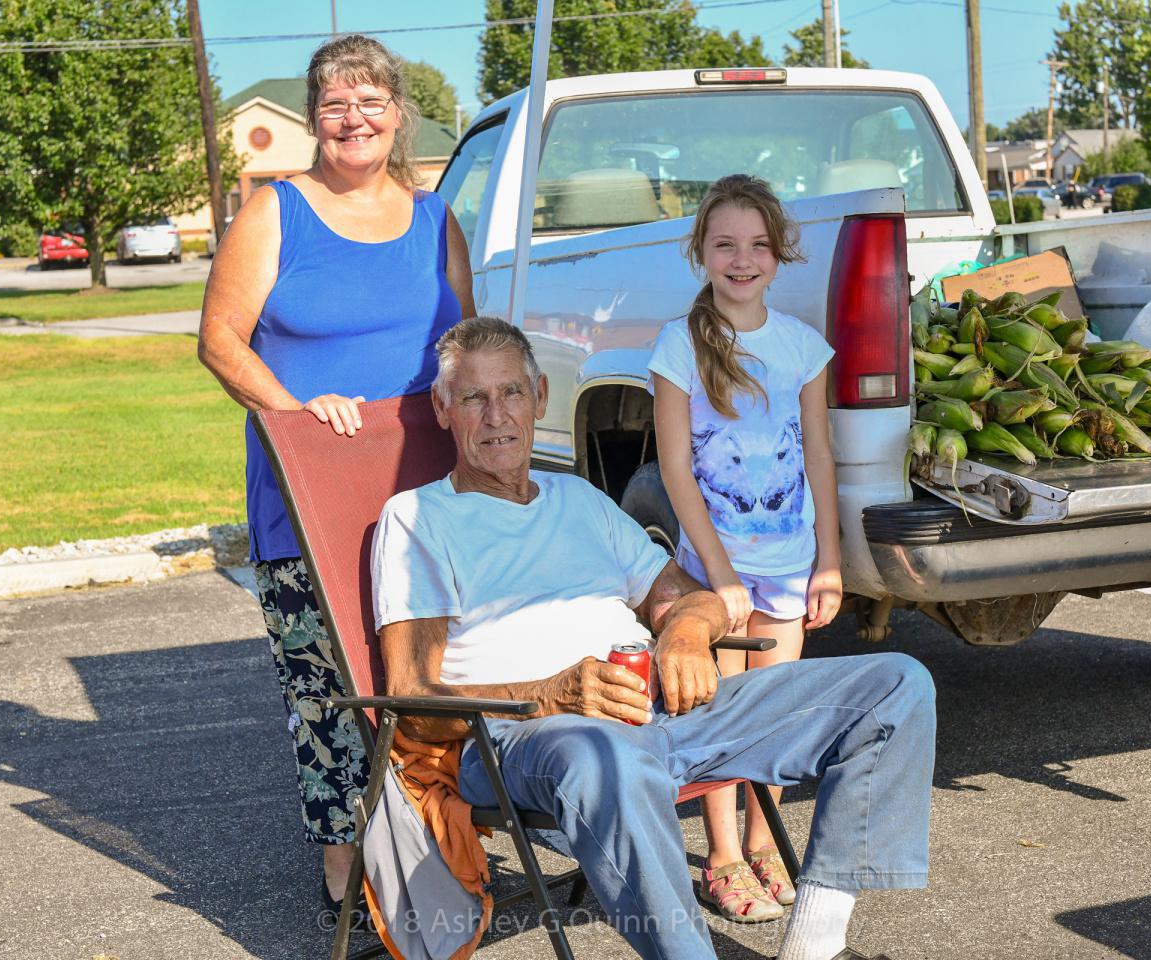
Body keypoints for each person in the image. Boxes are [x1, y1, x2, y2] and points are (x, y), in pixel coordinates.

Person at [371, 316, 935, 960]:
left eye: (513, 393)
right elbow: (412, 701)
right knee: (605, 758)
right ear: (443, 408)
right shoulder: (418, 518)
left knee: (895, 686)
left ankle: (814, 940)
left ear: (540, 399)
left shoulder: (579, 500)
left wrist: (687, 639)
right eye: (474, 398)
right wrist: (551, 695)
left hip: (657, 713)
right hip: (527, 739)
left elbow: (690, 597)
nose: (497, 416)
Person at [197, 33, 474, 914]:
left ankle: (441, 839)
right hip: (310, 493)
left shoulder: (436, 219)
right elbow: (219, 341)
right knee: (327, 683)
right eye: (334, 105)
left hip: (425, 489)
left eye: (370, 102)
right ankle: (345, 861)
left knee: (433, 673)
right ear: (316, 120)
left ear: (399, 112)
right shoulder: (276, 211)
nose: (353, 119)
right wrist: (296, 410)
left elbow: (464, 349)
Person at [647, 173, 841, 922]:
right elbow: (675, 469)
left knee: (776, 715)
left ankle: (766, 842)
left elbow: (819, 456)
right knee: (720, 715)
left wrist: (828, 559)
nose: (741, 259)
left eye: (757, 245)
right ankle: (722, 853)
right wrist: (719, 578)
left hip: (791, 562)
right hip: (714, 567)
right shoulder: (678, 346)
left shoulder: (801, 348)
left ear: (779, 254)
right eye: (724, 244)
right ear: (701, 252)